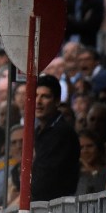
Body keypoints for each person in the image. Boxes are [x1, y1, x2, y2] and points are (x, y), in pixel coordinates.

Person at [31, 74, 79, 202]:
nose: (38, 102)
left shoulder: (62, 132)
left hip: (54, 208)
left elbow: (45, 180)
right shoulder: (37, 131)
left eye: (45, 96)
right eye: (35, 95)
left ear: (57, 101)